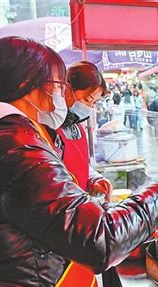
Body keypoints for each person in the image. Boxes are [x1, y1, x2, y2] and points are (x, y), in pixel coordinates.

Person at [0, 36, 158, 287]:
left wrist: (127, 217)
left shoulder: (1, 137)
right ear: (26, 86)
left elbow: (56, 214)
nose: (61, 96)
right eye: (58, 86)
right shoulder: (12, 146)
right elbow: (100, 240)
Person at [48, 61, 112, 199]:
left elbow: (81, 167)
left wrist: (94, 180)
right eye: (87, 99)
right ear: (66, 89)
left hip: (78, 207)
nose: (90, 107)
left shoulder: (77, 129)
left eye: (93, 103)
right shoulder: (48, 129)